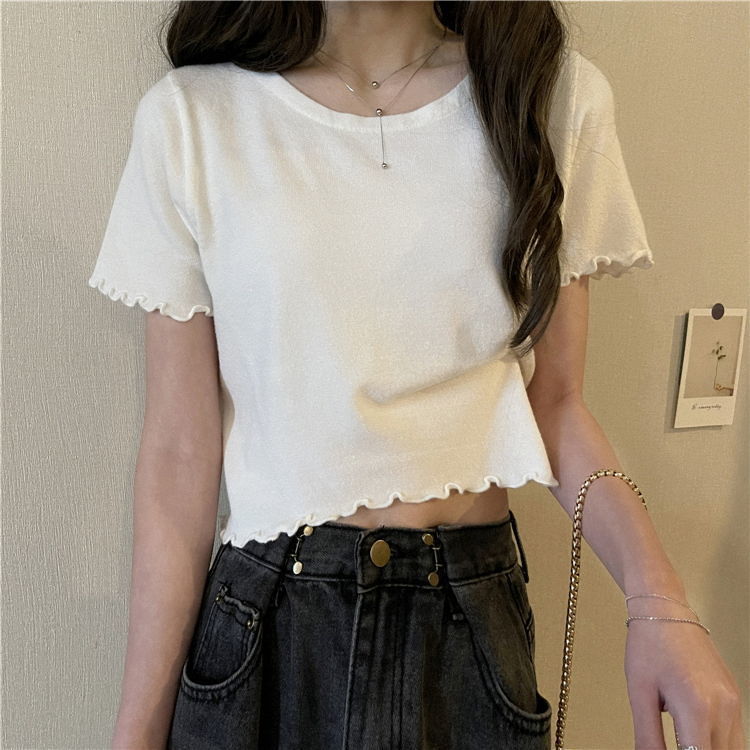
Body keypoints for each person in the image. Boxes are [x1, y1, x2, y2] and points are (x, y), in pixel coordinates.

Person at [87, 2, 744, 749]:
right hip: (268, 630)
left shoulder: (546, 98)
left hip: (467, 627)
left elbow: (557, 407)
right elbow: (180, 454)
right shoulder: (192, 117)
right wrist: (137, 733)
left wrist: (660, 601)